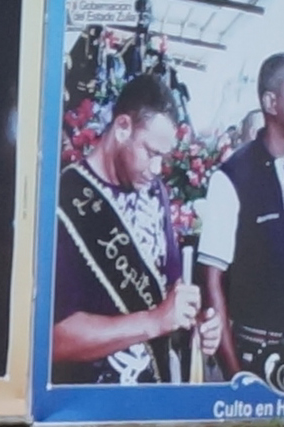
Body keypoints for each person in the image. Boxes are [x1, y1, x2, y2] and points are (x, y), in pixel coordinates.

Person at [51, 74, 202, 382]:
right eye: (151, 153)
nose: (157, 170)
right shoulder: (63, 199)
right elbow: (55, 339)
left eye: (164, 156)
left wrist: (196, 317)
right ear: (121, 128)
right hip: (90, 402)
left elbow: (170, 283)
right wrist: (154, 321)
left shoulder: (153, 190)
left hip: (152, 391)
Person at [212, 53, 284, 387]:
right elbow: (212, 280)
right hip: (253, 350)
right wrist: (235, 374)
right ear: (270, 102)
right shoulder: (232, 176)